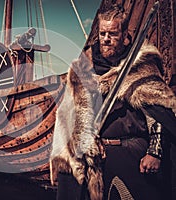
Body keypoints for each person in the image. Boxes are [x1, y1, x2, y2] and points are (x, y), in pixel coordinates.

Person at [50, 4, 176, 200]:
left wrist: (155, 151)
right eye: (102, 33)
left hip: (132, 154)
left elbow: (158, 110)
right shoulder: (83, 68)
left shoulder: (140, 64)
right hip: (95, 158)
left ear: (125, 34)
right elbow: (67, 115)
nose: (106, 39)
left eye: (113, 34)